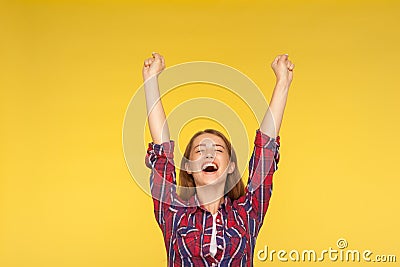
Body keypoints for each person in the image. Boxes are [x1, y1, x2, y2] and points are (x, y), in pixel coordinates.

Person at [143, 52, 294, 266]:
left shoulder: (247, 213)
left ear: (231, 166)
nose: (209, 154)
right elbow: (161, 152)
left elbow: (265, 155)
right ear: (187, 166)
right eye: (199, 150)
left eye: (218, 150)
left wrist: (283, 83)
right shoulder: (173, 213)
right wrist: (150, 82)